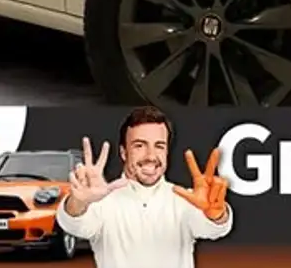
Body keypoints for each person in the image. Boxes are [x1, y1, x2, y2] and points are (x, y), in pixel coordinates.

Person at [56, 106, 232, 268]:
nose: (151, 156)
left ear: (166, 152)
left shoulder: (185, 200)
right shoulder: (102, 202)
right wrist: (79, 202)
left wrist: (217, 216)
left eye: (159, 146)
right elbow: (73, 224)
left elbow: (213, 230)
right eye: (139, 146)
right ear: (124, 152)